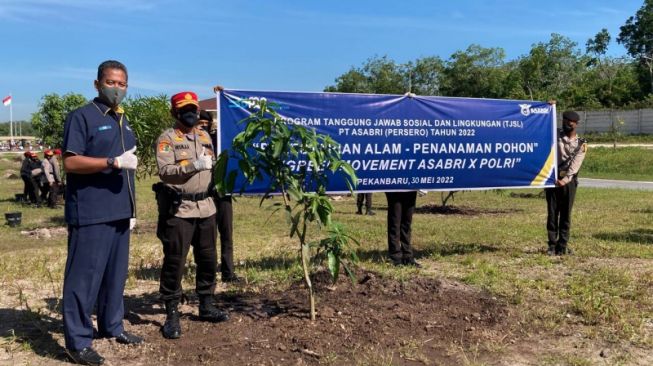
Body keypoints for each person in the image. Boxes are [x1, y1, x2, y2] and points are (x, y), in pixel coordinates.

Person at [61, 60, 142, 366]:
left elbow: (129, 170)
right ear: (97, 84)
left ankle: (112, 326)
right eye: (111, 82)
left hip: (120, 213)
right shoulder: (82, 117)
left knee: (114, 277)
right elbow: (71, 162)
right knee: (84, 279)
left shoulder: (124, 120)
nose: (117, 88)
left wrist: (132, 210)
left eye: (122, 84)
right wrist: (112, 163)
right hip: (92, 213)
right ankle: (78, 341)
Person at [154, 92, 229, 340]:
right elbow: (166, 172)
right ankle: (172, 312)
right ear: (175, 112)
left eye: (193, 109)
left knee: (208, 258)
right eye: (185, 109)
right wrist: (193, 166)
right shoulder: (167, 139)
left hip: (206, 207)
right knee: (175, 261)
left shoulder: (204, 135)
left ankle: (206, 305)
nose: (191, 113)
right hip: (180, 209)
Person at [200, 108, 240, 283]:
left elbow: (229, 132)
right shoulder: (192, 140)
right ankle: (208, 272)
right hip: (203, 194)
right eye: (199, 124)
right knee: (207, 236)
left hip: (222, 192)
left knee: (226, 232)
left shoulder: (218, 139)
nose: (203, 127)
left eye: (206, 124)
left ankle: (228, 271)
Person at [545, 110, 587, 256]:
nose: (568, 124)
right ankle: (551, 245)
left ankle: (562, 245)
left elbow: (575, 166)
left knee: (565, 215)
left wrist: (564, 180)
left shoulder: (581, 144)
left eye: (571, 122)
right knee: (552, 213)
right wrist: (547, 108)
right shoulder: (554, 136)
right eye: (565, 121)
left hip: (568, 182)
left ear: (576, 124)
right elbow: (542, 126)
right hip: (552, 179)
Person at [385, 191, 421, 267]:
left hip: (410, 187)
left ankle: (407, 255)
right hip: (394, 187)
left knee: (407, 222)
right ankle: (395, 257)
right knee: (395, 221)